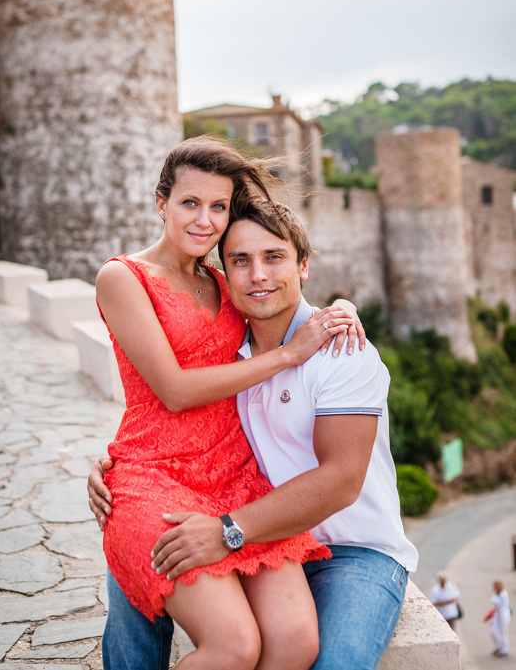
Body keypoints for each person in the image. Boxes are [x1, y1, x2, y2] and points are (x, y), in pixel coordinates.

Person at [89, 194, 418, 670]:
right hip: (264, 531)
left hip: (351, 552)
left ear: (303, 265)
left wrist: (228, 531)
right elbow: (173, 411)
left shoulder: (344, 350)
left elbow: (341, 481)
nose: (258, 275)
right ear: (223, 276)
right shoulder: (229, 351)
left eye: (275, 257)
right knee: (142, 539)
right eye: (240, 261)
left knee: (332, 664)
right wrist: (115, 468)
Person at [485, 580, 511, 657]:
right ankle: (499, 645)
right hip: (497, 614)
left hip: (503, 614)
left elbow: (504, 607)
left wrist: (494, 609)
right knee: (493, 631)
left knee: (503, 632)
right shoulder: (496, 594)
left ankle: (504, 649)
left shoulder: (503, 594)